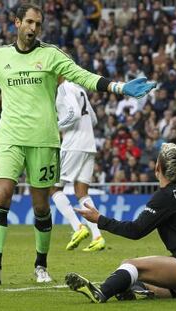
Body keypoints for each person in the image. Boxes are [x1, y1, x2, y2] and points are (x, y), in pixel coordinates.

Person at [0, 3, 156, 286]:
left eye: (38, 24)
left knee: (41, 207)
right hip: (9, 138)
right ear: (17, 22)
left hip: (44, 141)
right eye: (30, 22)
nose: (34, 28)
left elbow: (83, 76)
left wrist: (120, 88)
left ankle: (40, 265)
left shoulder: (51, 55)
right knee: (3, 194)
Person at [65, 143, 176, 302]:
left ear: (158, 168)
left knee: (130, 265)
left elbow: (135, 230)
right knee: (136, 280)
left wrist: (100, 220)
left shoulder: (165, 196)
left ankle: (101, 292)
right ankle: (133, 290)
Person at [50, 79, 106, 252]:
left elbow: (73, 114)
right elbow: (94, 119)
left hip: (73, 145)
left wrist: (53, 126)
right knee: (81, 192)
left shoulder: (63, 88)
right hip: (89, 144)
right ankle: (97, 237)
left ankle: (78, 227)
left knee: (53, 188)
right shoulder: (78, 88)